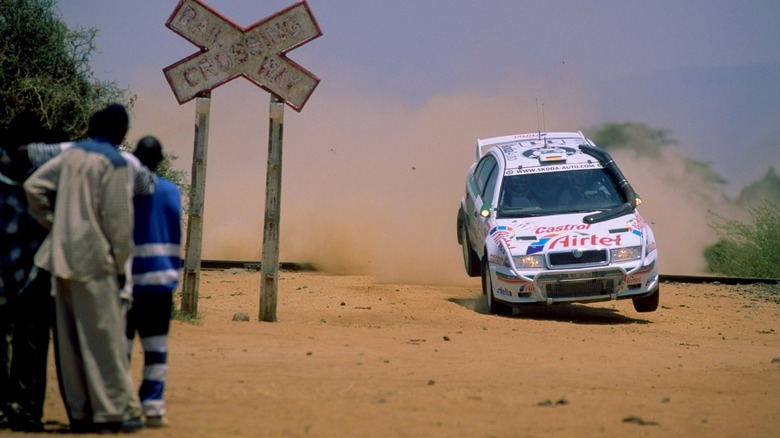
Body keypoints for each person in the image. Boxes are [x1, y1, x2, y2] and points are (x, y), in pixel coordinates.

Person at [23, 104, 144, 433]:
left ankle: (79, 412)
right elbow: (119, 224)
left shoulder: (72, 155)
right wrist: (122, 265)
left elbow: (33, 187)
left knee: (70, 340)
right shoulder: (115, 162)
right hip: (94, 261)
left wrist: (55, 224)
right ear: (119, 131)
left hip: (60, 260)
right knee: (104, 339)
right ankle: (112, 412)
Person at [0, 112, 61, 432]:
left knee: (25, 344)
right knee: (34, 346)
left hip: (23, 277)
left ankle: (23, 407)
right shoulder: (46, 176)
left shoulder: (32, 176)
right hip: (36, 274)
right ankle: (27, 406)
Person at [125, 136, 182, 428]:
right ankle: (153, 406)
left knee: (122, 348)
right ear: (160, 161)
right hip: (161, 282)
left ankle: (121, 404)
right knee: (156, 348)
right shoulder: (172, 192)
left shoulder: (125, 192)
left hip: (128, 283)